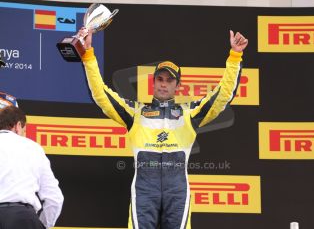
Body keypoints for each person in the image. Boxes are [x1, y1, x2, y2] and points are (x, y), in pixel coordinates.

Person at [79, 27, 248, 228]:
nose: (163, 84)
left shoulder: (189, 112)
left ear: (177, 86)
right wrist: (88, 56)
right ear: (153, 82)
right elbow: (101, 95)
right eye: (160, 79)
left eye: (169, 80)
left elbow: (222, 96)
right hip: (144, 188)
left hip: (177, 189)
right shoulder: (135, 112)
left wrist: (235, 56)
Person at [0, 105, 64, 229]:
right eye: (24, 130)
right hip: (21, 219)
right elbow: (54, 197)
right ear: (18, 126)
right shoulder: (32, 148)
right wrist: (43, 225)